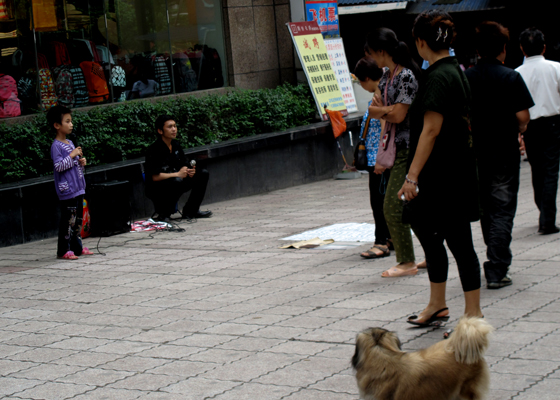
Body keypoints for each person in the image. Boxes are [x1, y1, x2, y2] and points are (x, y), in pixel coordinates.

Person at [400, 10, 483, 327]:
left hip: (443, 177)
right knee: (428, 231)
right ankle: (437, 304)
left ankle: (473, 316)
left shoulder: (437, 77)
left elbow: (431, 130)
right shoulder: (455, 70)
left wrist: (412, 176)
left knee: (460, 243)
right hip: (452, 172)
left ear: (421, 42)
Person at [466, 22, 534, 289]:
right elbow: (523, 116)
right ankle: (497, 267)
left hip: (476, 152)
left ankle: (493, 256)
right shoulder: (510, 77)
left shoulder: (467, 77)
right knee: (504, 209)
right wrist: (521, 127)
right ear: (503, 49)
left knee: (486, 208)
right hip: (504, 151)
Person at [364, 28, 421, 277]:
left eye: (371, 52)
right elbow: (383, 111)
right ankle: (430, 252)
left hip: (409, 146)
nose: (371, 58)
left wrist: (381, 111)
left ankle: (406, 261)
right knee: (413, 206)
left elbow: (397, 114)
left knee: (391, 206)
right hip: (396, 145)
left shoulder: (406, 76)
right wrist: (384, 111)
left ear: (381, 51)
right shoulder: (388, 75)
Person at [516, 28, 560, 235]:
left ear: (522, 49)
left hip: (529, 126)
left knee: (537, 170)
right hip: (552, 123)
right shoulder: (555, 68)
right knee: (551, 170)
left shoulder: (516, 73)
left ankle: (543, 211)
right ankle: (547, 219)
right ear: (544, 47)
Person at [353, 57, 392, 259]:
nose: (361, 85)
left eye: (361, 81)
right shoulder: (385, 89)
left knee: (378, 200)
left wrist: (381, 158)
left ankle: (381, 241)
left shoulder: (380, 94)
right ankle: (390, 237)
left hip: (378, 157)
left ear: (367, 78)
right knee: (383, 198)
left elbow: (385, 126)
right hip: (378, 156)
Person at [144, 115, 212, 221]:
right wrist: (177, 174)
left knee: (202, 174)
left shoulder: (175, 144)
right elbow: (154, 177)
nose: (174, 129)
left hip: (176, 180)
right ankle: (164, 214)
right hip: (157, 187)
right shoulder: (153, 150)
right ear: (160, 131)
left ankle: (191, 211)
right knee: (177, 181)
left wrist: (190, 171)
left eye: (175, 126)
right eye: (170, 127)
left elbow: (184, 163)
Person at [49, 105, 94, 260]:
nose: (71, 124)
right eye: (67, 121)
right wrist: (71, 155)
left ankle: (77, 247)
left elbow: (72, 163)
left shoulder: (70, 142)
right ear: (57, 125)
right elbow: (59, 166)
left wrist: (80, 161)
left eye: (71, 121)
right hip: (67, 190)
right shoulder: (56, 146)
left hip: (78, 187)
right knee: (68, 220)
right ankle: (63, 250)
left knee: (78, 220)